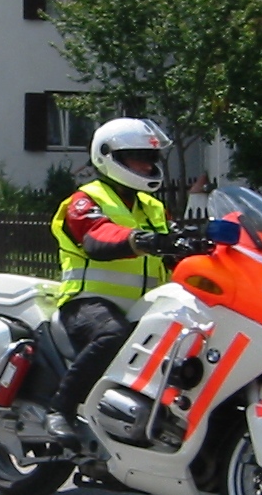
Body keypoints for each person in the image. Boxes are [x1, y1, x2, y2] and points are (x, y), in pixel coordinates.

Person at [44, 118, 172, 440]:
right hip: (87, 303)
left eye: (151, 158)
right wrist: (137, 240)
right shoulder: (86, 200)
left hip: (145, 308)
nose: (147, 165)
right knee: (113, 335)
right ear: (109, 156)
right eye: (138, 157)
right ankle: (60, 408)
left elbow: (175, 247)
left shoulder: (153, 208)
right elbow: (96, 237)